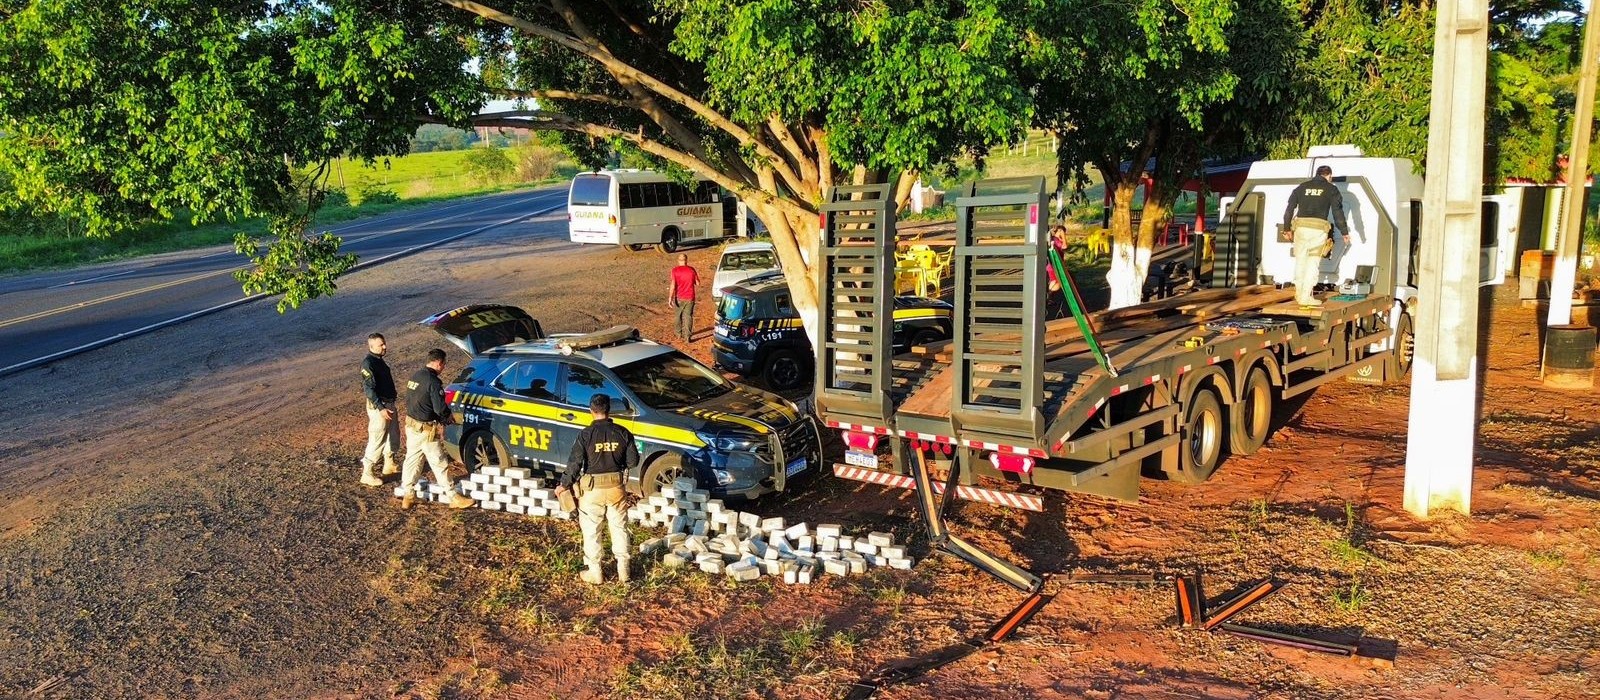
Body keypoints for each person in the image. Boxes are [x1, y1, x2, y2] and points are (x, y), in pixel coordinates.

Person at [556, 394, 638, 584]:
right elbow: (632, 461)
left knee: (592, 530)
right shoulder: (623, 432)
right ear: (609, 409)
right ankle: (624, 570)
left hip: (592, 490)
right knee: (619, 527)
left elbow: (574, 464)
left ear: (591, 411)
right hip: (616, 488)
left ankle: (595, 572)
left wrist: (564, 484)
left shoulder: (585, 434)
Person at [399, 348, 474, 510]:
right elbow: (440, 408)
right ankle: (453, 496)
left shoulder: (416, 376)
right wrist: (447, 418)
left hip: (412, 426)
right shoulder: (433, 382)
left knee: (412, 460)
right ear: (439, 363)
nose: (444, 368)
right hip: (426, 430)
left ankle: (408, 495)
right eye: (444, 365)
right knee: (440, 462)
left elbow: (416, 400)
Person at [1281, 165, 1351, 307]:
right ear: (1329, 176)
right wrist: (1344, 232)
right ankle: (1305, 297)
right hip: (1317, 231)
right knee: (1312, 262)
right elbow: (1338, 213)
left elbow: (1289, 209)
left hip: (1300, 229)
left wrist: (1287, 228)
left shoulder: (1301, 187)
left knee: (1300, 261)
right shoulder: (1331, 189)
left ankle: (1299, 292)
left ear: (1317, 174)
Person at [358, 333, 400, 487]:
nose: (385, 347)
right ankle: (367, 473)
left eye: (384, 343)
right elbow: (368, 389)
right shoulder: (368, 363)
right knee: (377, 438)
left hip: (388, 404)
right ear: (371, 346)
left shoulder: (379, 361)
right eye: (381, 344)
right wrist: (381, 408)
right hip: (379, 407)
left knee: (393, 435)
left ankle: (389, 464)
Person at [668, 253, 699, 341]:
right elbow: (698, 283)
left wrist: (670, 297)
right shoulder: (691, 270)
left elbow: (673, 285)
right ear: (686, 260)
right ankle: (687, 337)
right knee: (688, 316)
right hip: (690, 297)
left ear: (678, 260)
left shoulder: (675, 270)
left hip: (679, 297)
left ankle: (678, 334)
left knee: (678, 316)